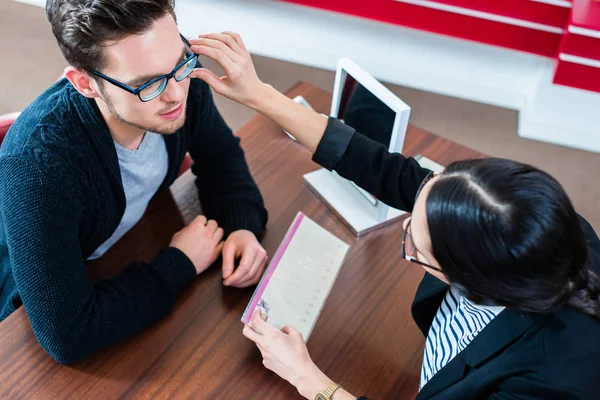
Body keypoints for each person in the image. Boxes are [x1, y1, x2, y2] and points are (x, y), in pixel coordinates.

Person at [188, 32, 600, 399]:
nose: (405, 226)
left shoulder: (547, 381)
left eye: (416, 246)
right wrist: (259, 95)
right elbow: (384, 170)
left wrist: (309, 379)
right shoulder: (543, 231)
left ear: (470, 276)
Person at [0, 1, 269, 364]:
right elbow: (67, 334)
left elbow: (221, 158)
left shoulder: (179, 74)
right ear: (85, 83)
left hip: (124, 249)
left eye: (180, 64)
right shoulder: (37, 167)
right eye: (147, 85)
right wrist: (180, 262)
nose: (176, 93)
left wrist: (242, 226)